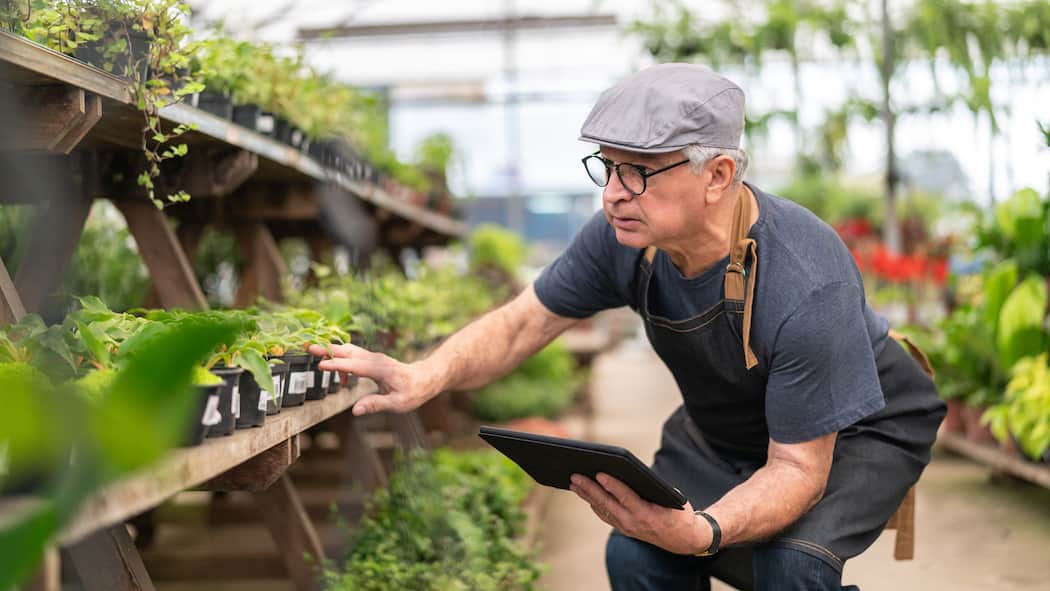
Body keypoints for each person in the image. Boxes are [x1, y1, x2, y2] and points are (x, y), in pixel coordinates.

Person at [310, 63, 946, 591]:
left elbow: (799, 469)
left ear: (719, 175)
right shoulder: (624, 239)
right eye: (607, 168)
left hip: (855, 428)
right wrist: (426, 375)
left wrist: (707, 531)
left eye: (637, 171)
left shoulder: (808, 280)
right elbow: (524, 322)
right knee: (638, 555)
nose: (613, 193)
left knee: (791, 566)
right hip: (729, 427)